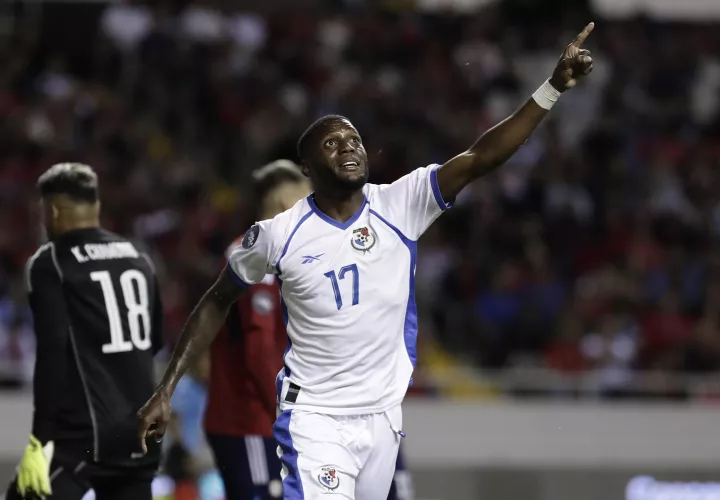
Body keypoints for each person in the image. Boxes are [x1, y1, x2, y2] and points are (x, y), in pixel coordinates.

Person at [138, 24, 595, 500]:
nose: (349, 146)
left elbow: (480, 157)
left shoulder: (402, 203)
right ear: (308, 170)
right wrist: (165, 387)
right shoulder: (277, 234)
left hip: (383, 417)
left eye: (353, 139)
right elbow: (216, 301)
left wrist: (553, 88)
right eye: (332, 143)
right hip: (315, 418)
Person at [8, 163, 164, 500]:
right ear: (96, 206)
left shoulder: (52, 262)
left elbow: (53, 354)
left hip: (86, 437)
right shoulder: (140, 256)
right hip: (140, 434)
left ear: (51, 210)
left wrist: (40, 438)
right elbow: (154, 344)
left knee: (23, 495)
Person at [203, 160, 310, 500]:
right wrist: (287, 413)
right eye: (307, 199)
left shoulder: (278, 252)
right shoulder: (253, 253)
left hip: (258, 418)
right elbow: (259, 351)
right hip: (250, 420)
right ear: (284, 201)